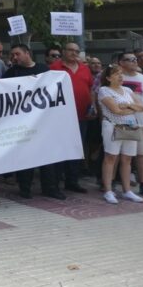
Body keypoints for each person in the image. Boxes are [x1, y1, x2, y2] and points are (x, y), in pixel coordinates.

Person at [3, 44, 65, 199]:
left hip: (43, 121)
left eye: (17, 54)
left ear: (27, 53)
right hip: (22, 122)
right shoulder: (11, 72)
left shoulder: (44, 70)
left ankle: (50, 188)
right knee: (25, 156)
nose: (14, 57)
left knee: (48, 156)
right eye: (12, 55)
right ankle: (25, 188)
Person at [97, 65, 143, 204]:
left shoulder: (127, 90)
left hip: (130, 126)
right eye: (116, 74)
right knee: (110, 157)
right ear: (108, 78)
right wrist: (132, 108)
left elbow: (142, 107)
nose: (120, 76)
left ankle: (127, 191)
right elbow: (115, 110)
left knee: (127, 159)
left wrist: (126, 106)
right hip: (112, 126)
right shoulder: (104, 90)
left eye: (121, 73)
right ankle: (108, 191)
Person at [49, 42, 93, 194]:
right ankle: (56, 183)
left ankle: (72, 181)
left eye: (77, 50)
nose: (74, 53)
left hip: (82, 117)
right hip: (61, 118)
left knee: (76, 150)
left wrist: (92, 107)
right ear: (63, 52)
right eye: (71, 50)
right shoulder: (54, 68)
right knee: (61, 150)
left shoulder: (85, 68)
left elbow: (90, 89)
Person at [118, 52, 143, 196]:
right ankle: (112, 185)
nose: (135, 61)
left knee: (141, 154)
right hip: (120, 122)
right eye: (130, 60)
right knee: (118, 156)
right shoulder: (116, 78)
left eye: (135, 59)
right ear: (121, 62)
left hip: (140, 123)